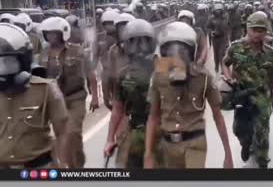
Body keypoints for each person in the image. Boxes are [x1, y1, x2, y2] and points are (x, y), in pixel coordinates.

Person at [144, 22, 233, 169]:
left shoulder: (203, 77)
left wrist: (228, 154)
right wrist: (148, 154)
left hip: (195, 143)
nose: (177, 55)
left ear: (192, 52)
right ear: (164, 52)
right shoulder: (158, 77)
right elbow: (153, 118)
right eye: (171, 50)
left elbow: (218, 116)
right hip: (168, 146)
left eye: (183, 50)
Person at [0, 23, 69, 169]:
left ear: (23, 61)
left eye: (6, 62)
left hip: (38, 168)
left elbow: (62, 132)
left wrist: (64, 165)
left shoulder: (46, 89)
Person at [222, 12, 273, 168]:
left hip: (262, 97)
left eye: (261, 30)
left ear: (266, 31)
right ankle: (246, 143)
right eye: (254, 29)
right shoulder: (236, 47)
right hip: (242, 96)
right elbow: (225, 63)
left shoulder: (271, 53)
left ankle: (262, 163)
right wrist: (228, 78)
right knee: (239, 129)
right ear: (248, 28)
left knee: (262, 134)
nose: (257, 33)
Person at [39, 17, 99, 168]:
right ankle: (64, 167)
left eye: (55, 33)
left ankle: (77, 166)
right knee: (59, 136)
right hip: (53, 101)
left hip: (75, 98)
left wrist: (95, 97)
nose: (51, 37)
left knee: (73, 133)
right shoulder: (43, 54)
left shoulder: (77, 51)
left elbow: (90, 74)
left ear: (63, 33)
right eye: (48, 34)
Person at [104, 19, 159, 168]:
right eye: (134, 42)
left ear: (151, 43)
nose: (139, 47)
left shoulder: (163, 70)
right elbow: (117, 109)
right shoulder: (123, 75)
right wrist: (110, 139)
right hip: (133, 129)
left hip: (160, 132)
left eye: (143, 42)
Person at [207, 3, 229, 73]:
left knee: (222, 53)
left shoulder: (225, 18)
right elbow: (208, 26)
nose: (218, 12)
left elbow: (227, 27)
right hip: (215, 39)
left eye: (219, 10)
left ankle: (223, 68)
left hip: (223, 38)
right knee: (216, 53)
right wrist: (212, 32)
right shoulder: (211, 18)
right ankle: (216, 65)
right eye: (216, 10)